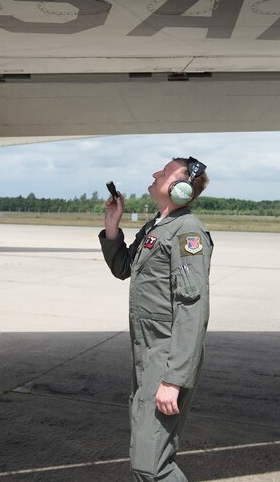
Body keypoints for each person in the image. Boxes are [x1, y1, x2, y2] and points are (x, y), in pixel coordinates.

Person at [99, 157, 213, 482]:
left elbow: (192, 307)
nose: (154, 173)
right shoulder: (157, 227)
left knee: (151, 466)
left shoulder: (187, 232)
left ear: (180, 188)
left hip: (166, 359)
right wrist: (112, 225)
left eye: (164, 172)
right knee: (144, 456)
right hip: (146, 356)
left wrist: (174, 379)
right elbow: (123, 267)